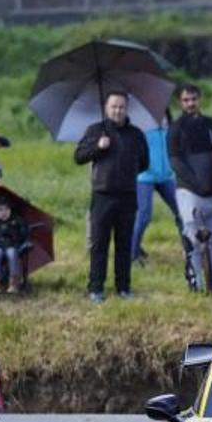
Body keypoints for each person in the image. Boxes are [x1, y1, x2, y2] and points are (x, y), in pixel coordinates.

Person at [73, 91, 149, 303]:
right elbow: (78, 156)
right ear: (107, 108)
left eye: (121, 107)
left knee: (124, 244)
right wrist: (98, 147)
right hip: (102, 195)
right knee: (99, 244)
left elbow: (144, 163)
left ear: (127, 109)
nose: (118, 110)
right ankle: (96, 287)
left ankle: (123, 287)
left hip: (127, 195)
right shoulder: (96, 130)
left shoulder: (136, 134)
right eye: (114, 106)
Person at [168, 83, 212, 294]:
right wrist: (196, 183)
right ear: (180, 102)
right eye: (186, 100)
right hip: (189, 192)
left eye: (193, 99)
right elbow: (176, 162)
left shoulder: (210, 124)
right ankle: (196, 282)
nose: (191, 103)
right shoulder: (176, 128)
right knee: (193, 240)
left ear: (199, 99)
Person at [131, 113, 182, 269]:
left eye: (164, 117)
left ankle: (189, 247)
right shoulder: (142, 130)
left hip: (167, 177)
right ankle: (132, 253)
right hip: (145, 177)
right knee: (144, 215)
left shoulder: (171, 131)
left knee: (182, 211)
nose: (161, 120)